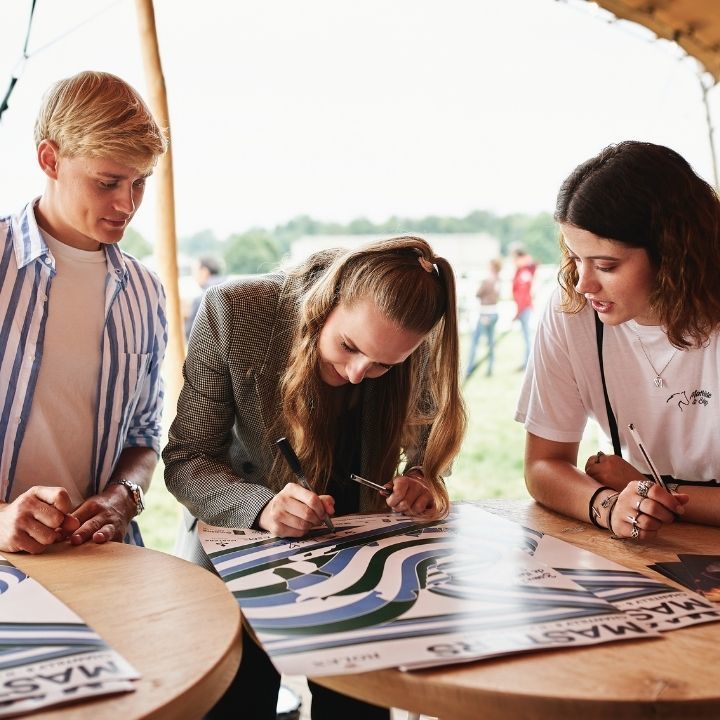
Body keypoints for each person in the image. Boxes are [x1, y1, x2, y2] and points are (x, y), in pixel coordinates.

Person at [163, 235, 466, 720]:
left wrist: (419, 477)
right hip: (239, 550)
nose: (357, 372)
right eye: (348, 346)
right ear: (326, 302)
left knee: (358, 707)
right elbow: (187, 460)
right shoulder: (235, 312)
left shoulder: (413, 338)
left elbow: (428, 444)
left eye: (385, 366)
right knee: (238, 702)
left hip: (359, 563)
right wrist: (260, 507)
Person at [516, 140, 720, 543]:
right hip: (648, 547)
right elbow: (543, 465)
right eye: (575, 257)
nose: (582, 283)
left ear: (673, 254)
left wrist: (647, 487)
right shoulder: (571, 311)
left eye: (606, 265)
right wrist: (607, 507)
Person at [0, 71, 168, 554]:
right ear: (50, 159)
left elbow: (143, 435)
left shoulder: (145, 291)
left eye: (140, 182)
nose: (127, 204)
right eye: (108, 181)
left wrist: (122, 497)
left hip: (93, 559)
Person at [465, 257, 502, 379]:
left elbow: (478, 294)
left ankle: (470, 368)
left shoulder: (487, 280)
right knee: (491, 342)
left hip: (485, 313)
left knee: (475, 342)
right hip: (494, 312)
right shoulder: (498, 280)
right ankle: (490, 368)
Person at [184, 254, 226, 339]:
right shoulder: (231, 289)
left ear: (204, 271)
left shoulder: (203, 299)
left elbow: (190, 334)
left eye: (194, 271)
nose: (193, 276)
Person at [511, 245, 536, 370]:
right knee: (526, 337)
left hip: (524, 309)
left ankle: (528, 363)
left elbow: (523, 294)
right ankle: (526, 362)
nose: (513, 261)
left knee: (527, 337)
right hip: (523, 308)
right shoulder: (522, 271)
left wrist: (518, 312)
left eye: (515, 258)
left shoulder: (524, 272)